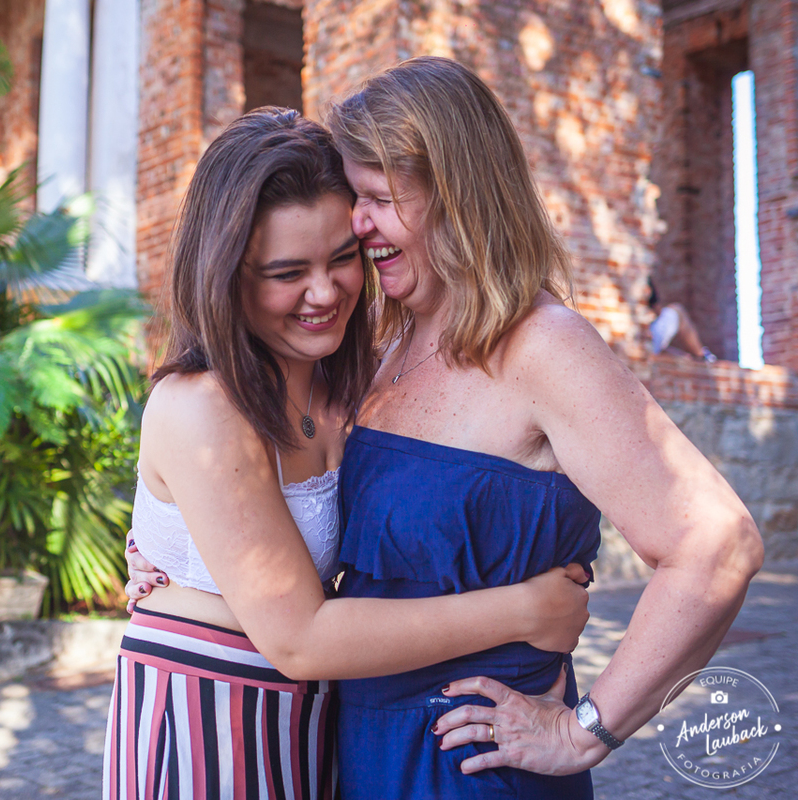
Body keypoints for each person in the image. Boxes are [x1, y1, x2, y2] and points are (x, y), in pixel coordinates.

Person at [130, 57, 762, 799]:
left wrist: (585, 730)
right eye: (356, 198)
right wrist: (179, 559)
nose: (358, 224)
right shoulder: (383, 350)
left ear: (460, 196)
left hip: (472, 764)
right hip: (352, 750)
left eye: (376, 200)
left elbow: (717, 545)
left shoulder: (543, 345)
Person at [105, 106, 592, 799]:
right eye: (287, 272)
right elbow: (299, 637)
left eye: (341, 258)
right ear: (227, 275)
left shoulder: (361, 387)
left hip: (319, 721)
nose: (324, 292)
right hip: (204, 716)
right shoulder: (203, 405)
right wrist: (526, 611)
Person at [647, 278, 717, 362]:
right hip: (644, 343)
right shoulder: (643, 279)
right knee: (678, 311)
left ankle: (696, 358)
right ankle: (702, 357)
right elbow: (657, 311)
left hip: (644, 343)